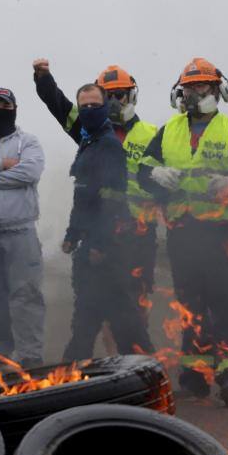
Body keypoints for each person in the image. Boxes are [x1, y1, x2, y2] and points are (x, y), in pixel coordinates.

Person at [138, 57, 228, 406]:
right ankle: (194, 377)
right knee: (190, 307)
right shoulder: (168, 131)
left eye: (201, 87)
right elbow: (143, 172)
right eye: (188, 88)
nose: (193, 94)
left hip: (222, 235)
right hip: (183, 233)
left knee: (226, 307)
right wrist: (155, 177)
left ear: (219, 90)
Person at [33, 60, 159, 327]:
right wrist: (44, 78)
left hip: (139, 233)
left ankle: (138, 361)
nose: (114, 102)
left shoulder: (152, 135)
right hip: (101, 232)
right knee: (106, 309)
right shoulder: (88, 132)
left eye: (120, 95)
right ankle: (117, 361)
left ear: (131, 96)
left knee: (137, 304)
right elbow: (59, 106)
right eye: (108, 95)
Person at [0, 88, 46, 367]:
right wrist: (4, 166)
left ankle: (30, 357)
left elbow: (31, 172)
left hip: (22, 232)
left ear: (15, 107)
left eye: (5, 104)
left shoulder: (28, 141)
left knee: (27, 296)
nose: (0, 108)